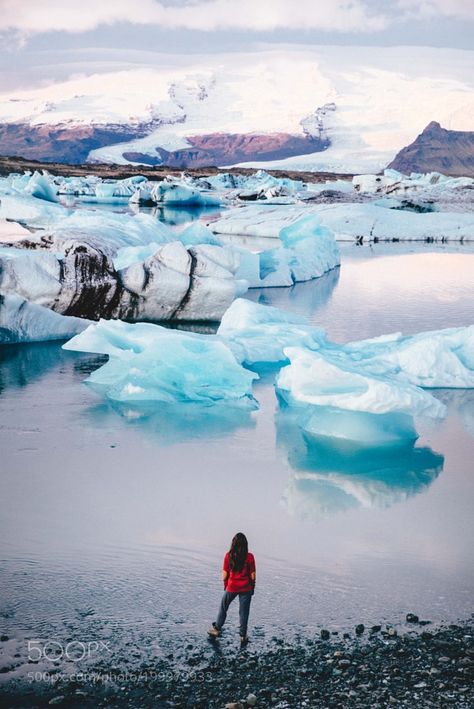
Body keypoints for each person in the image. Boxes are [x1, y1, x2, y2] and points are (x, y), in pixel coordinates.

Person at [208, 532, 256, 645]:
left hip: (231, 587)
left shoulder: (228, 556)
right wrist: (252, 587)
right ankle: (243, 636)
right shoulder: (250, 557)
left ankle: (217, 629)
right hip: (246, 588)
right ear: (245, 544)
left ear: (233, 544)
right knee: (244, 612)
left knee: (223, 607)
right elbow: (253, 576)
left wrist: (225, 585)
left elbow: (224, 575)